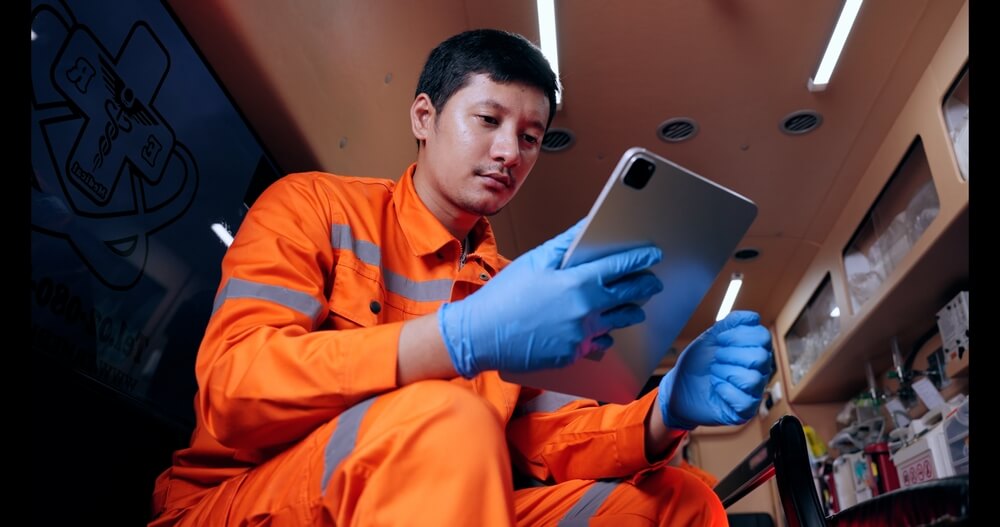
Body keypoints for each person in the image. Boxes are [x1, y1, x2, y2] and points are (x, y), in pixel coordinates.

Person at [149, 28, 772, 526]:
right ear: (424, 117)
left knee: (682, 501)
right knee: (448, 420)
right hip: (242, 502)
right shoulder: (312, 207)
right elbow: (234, 389)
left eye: (531, 137)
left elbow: (543, 440)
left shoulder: (511, 286)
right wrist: (457, 338)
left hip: (447, 498)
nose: (511, 152)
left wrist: (663, 412)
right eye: (489, 120)